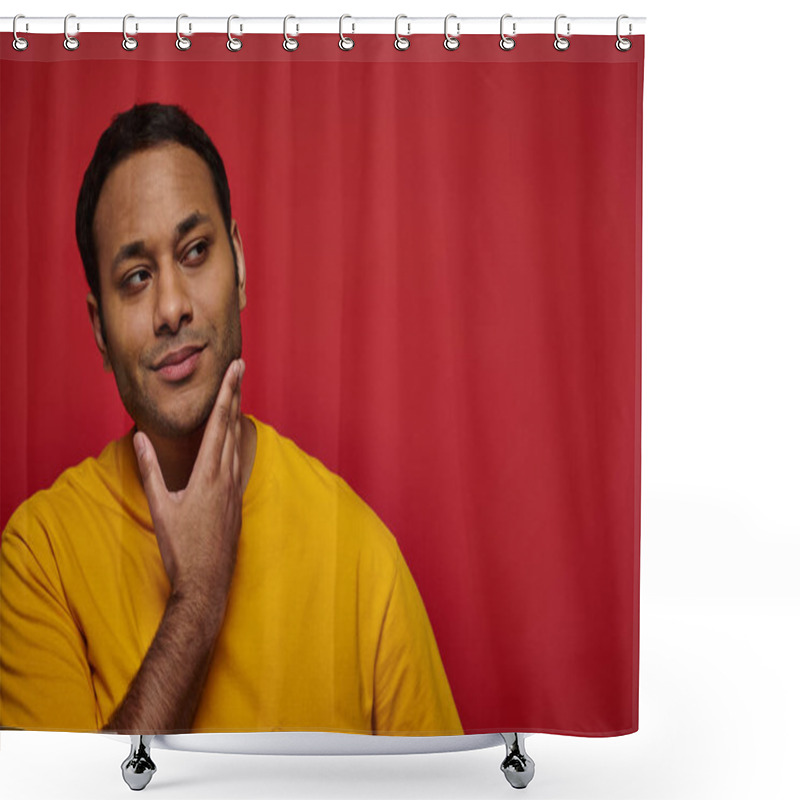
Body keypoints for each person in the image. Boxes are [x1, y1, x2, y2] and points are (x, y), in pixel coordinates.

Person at [0, 103, 462, 736]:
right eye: (136, 277)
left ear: (239, 266)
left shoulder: (362, 562)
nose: (171, 307)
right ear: (99, 332)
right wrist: (197, 602)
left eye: (194, 252)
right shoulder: (39, 558)